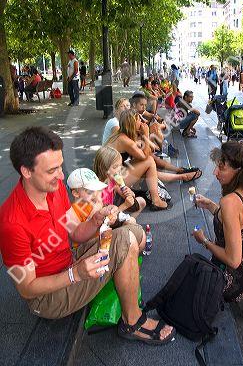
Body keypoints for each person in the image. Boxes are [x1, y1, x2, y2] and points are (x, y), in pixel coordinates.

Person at [0, 126, 175, 344]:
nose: (61, 176)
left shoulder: (52, 191)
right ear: (26, 171)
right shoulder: (12, 223)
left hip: (69, 262)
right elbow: (26, 289)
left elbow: (73, 233)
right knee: (125, 240)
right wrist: (76, 274)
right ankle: (132, 321)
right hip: (48, 298)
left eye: (60, 166)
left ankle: (123, 278)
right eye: (52, 170)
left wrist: (96, 219)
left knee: (135, 233)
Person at [192, 141, 243, 319]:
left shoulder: (230, 202)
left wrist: (204, 241)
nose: (215, 172)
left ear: (239, 171)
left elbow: (233, 260)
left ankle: (238, 294)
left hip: (232, 278)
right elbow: (239, 224)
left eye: (221, 168)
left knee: (191, 276)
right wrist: (211, 205)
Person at [107, 110, 202, 185]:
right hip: (114, 181)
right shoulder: (124, 140)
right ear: (132, 123)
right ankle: (183, 176)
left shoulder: (124, 134)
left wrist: (145, 138)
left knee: (151, 158)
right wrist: (146, 135)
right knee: (149, 162)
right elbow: (145, 155)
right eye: (139, 120)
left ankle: (180, 170)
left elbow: (150, 151)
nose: (142, 121)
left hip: (118, 172)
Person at [94, 146, 146, 219]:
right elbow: (105, 218)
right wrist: (125, 205)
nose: (119, 169)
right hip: (105, 220)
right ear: (103, 169)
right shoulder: (96, 189)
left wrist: (130, 193)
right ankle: (126, 224)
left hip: (113, 214)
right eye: (115, 167)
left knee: (141, 201)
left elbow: (129, 197)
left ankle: (128, 223)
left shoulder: (112, 181)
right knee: (130, 221)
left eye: (120, 165)